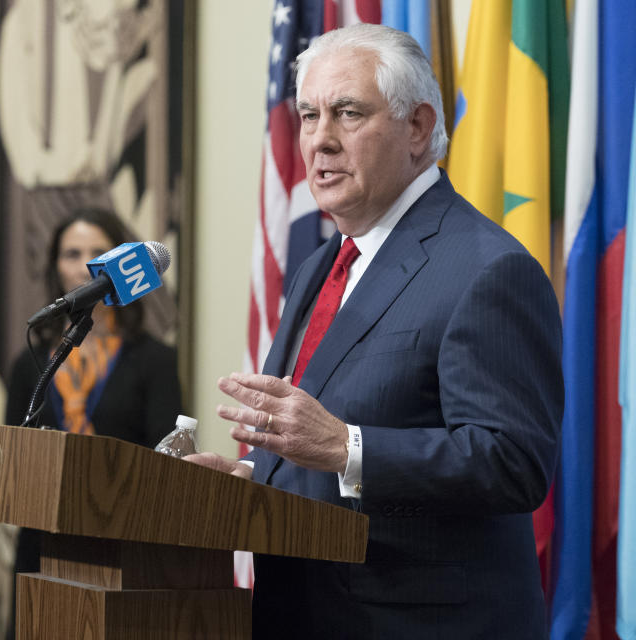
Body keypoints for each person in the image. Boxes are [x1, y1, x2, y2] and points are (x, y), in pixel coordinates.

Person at [188, 24, 562, 639]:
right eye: (308, 115)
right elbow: (321, 445)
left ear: (417, 128)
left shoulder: (487, 269)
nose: (319, 141)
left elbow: (513, 463)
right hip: (303, 615)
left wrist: (346, 447)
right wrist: (255, 482)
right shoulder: (321, 266)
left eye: (347, 113)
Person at [3, 207, 183, 639]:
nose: (84, 265)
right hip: (41, 539)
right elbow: (13, 452)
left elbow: (166, 458)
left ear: (122, 265)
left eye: (98, 252)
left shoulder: (154, 360)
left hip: (122, 538)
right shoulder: (30, 363)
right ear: (55, 266)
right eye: (71, 253)